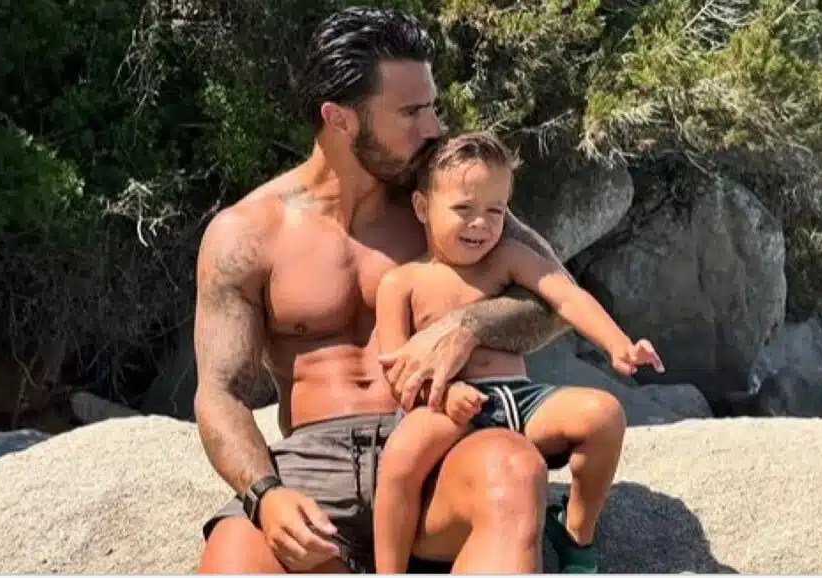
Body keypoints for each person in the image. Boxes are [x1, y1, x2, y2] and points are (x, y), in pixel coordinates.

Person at [194, 7, 630, 574]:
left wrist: (467, 324)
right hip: (314, 467)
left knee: (514, 468)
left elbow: (559, 299)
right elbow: (220, 393)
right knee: (231, 553)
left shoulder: (446, 205)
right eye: (411, 112)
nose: (433, 127)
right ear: (340, 119)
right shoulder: (247, 233)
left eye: (431, 106)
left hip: (443, 448)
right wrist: (264, 493)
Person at [371, 131, 666, 574]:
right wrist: (443, 395)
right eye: (463, 209)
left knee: (603, 415)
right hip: (446, 409)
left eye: (495, 211)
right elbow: (396, 368)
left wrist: (618, 345)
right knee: (401, 457)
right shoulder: (401, 283)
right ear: (422, 207)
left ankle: (575, 534)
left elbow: (566, 296)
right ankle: (390, 569)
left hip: (520, 400)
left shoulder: (508, 256)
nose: (481, 224)